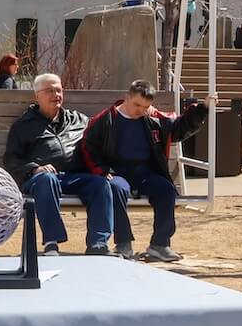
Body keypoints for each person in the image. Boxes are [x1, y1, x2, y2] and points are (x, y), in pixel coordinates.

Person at [76, 80, 212, 262]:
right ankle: (124, 242)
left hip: (146, 173)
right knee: (115, 189)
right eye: (137, 105)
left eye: (145, 106)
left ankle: (160, 244)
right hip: (117, 172)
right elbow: (88, 147)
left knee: (165, 189)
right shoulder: (105, 120)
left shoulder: (153, 119)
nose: (140, 110)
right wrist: (101, 170)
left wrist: (202, 108)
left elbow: (179, 128)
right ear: (127, 97)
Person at [2, 73, 130, 256]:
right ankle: (51, 243)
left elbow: (98, 142)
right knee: (47, 179)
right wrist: (35, 168)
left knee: (101, 184)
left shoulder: (78, 120)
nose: (56, 95)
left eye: (59, 90)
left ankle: (98, 244)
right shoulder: (23, 126)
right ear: (37, 96)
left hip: (76, 176)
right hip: (40, 180)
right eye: (50, 91)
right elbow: (11, 160)